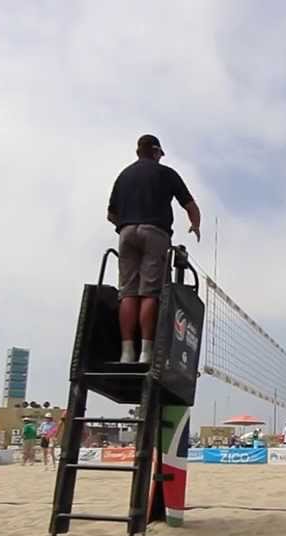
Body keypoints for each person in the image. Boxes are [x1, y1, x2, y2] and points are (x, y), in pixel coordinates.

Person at [107, 134, 202, 364]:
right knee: (150, 292)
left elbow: (111, 214)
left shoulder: (124, 175)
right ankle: (146, 352)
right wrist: (195, 225)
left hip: (126, 233)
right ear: (156, 152)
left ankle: (126, 352)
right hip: (155, 233)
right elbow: (191, 206)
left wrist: (128, 224)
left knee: (128, 292)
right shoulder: (166, 173)